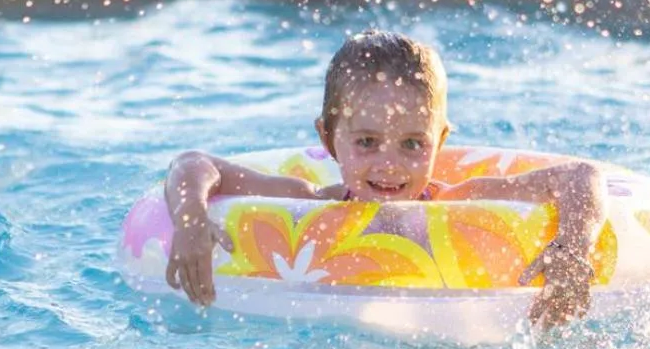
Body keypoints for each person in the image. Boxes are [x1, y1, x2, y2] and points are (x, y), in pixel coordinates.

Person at [162, 30, 604, 328]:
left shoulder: (454, 203)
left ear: (441, 139)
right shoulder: (312, 202)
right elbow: (193, 165)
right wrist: (191, 222)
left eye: (413, 144)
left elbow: (580, 177)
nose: (389, 165)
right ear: (329, 139)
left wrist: (573, 247)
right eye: (367, 142)